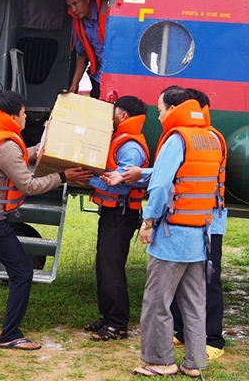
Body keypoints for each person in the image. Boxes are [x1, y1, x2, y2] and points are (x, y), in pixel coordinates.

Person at [102, 88, 228, 360]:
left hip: (174, 234)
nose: (157, 117)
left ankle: (160, 361)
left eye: (159, 110)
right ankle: (196, 362)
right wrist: (139, 173)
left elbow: (161, 186)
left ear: (174, 109)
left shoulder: (178, 139)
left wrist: (147, 222)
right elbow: (187, 173)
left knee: (158, 303)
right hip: (202, 232)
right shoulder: (212, 138)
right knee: (195, 302)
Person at [0, 90, 92, 350]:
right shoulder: (7, 144)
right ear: (14, 115)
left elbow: (17, 157)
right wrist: (64, 177)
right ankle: (10, 335)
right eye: (24, 113)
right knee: (22, 272)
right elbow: (28, 185)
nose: (25, 117)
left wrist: (39, 151)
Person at [85, 96, 149, 341]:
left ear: (123, 116)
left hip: (121, 214)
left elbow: (122, 185)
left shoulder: (130, 147)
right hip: (111, 212)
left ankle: (118, 325)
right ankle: (107, 316)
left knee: (112, 269)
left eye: (114, 112)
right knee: (103, 266)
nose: (110, 116)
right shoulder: (119, 140)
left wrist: (86, 180)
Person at [171, 88, 228, 360]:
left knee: (208, 279)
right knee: (183, 278)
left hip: (208, 224)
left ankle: (214, 339)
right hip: (190, 221)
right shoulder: (190, 137)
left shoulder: (210, 138)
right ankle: (182, 331)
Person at [64, 0, 106, 98]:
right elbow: (82, 54)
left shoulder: (108, 14)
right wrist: (75, 84)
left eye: (75, 4)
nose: (73, 10)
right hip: (98, 77)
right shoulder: (78, 24)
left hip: (117, 76)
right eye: (70, 6)